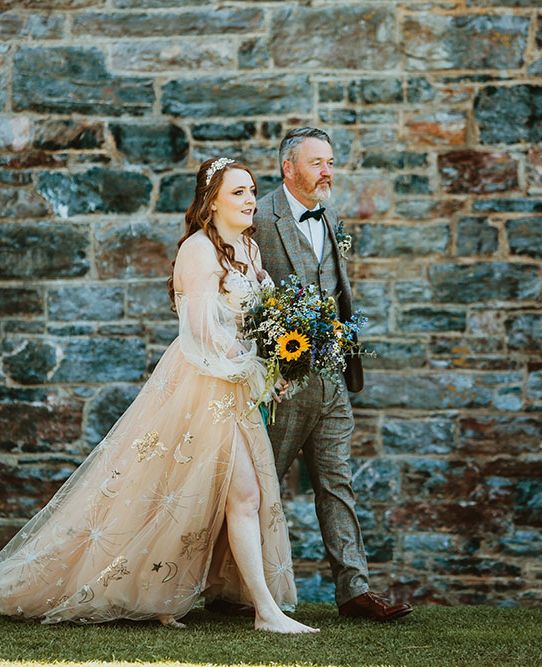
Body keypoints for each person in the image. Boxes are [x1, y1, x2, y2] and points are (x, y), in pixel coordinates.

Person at [0, 158, 318, 634]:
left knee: (203, 494)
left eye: (252, 190)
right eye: (238, 192)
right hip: (204, 385)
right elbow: (199, 329)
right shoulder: (198, 249)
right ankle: (265, 613)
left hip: (237, 387)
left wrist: (280, 359)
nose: (251, 199)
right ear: (211, 202)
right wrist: (254, 364)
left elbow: (262, 318)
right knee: (229, 493)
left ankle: (173, 593)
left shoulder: (249, 249)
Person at [252, 127, 413, 621]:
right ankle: (235, 588)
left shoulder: (333, 215)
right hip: (280, 383)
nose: (328, 171)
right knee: (259, 488)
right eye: (318, 162)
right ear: (288, 169)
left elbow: (338, 289)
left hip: (333, 378)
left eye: (330, 161)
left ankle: (354, 591)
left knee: (337, 483)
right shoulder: (257, 218)